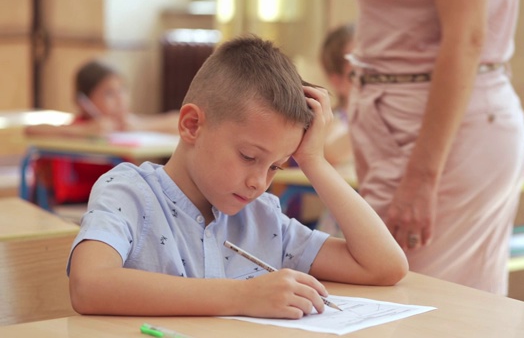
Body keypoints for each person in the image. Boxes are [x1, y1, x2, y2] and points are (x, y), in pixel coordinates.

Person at [66, 36, 408, 318]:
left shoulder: (261, 218)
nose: (259, 182)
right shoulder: (128, 193)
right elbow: (88, 286)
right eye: (249, 157)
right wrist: (242, 296)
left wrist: (314, 161)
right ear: (192, 125)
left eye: (276, 166)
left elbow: (385, 266)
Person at [347, 0, 524, 295]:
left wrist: (422, 176)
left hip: (438, 131)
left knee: (407, 302)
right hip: (393, 117)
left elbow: (467, 38)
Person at [25, 60, 179, 205]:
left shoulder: (127, 123)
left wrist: (141, 125)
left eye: (122, 90)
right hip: (89, 202)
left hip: (122, 198)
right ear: (84, 102)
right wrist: (86, 130)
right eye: (109, 94)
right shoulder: (82, 126)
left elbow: (179, 121)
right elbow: (31, 130)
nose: (120, 99)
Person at [315, 23, 356, 237]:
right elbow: (331, 153)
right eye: (357, 70)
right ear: (338, 80)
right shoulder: (334, 120)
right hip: (344, 222)